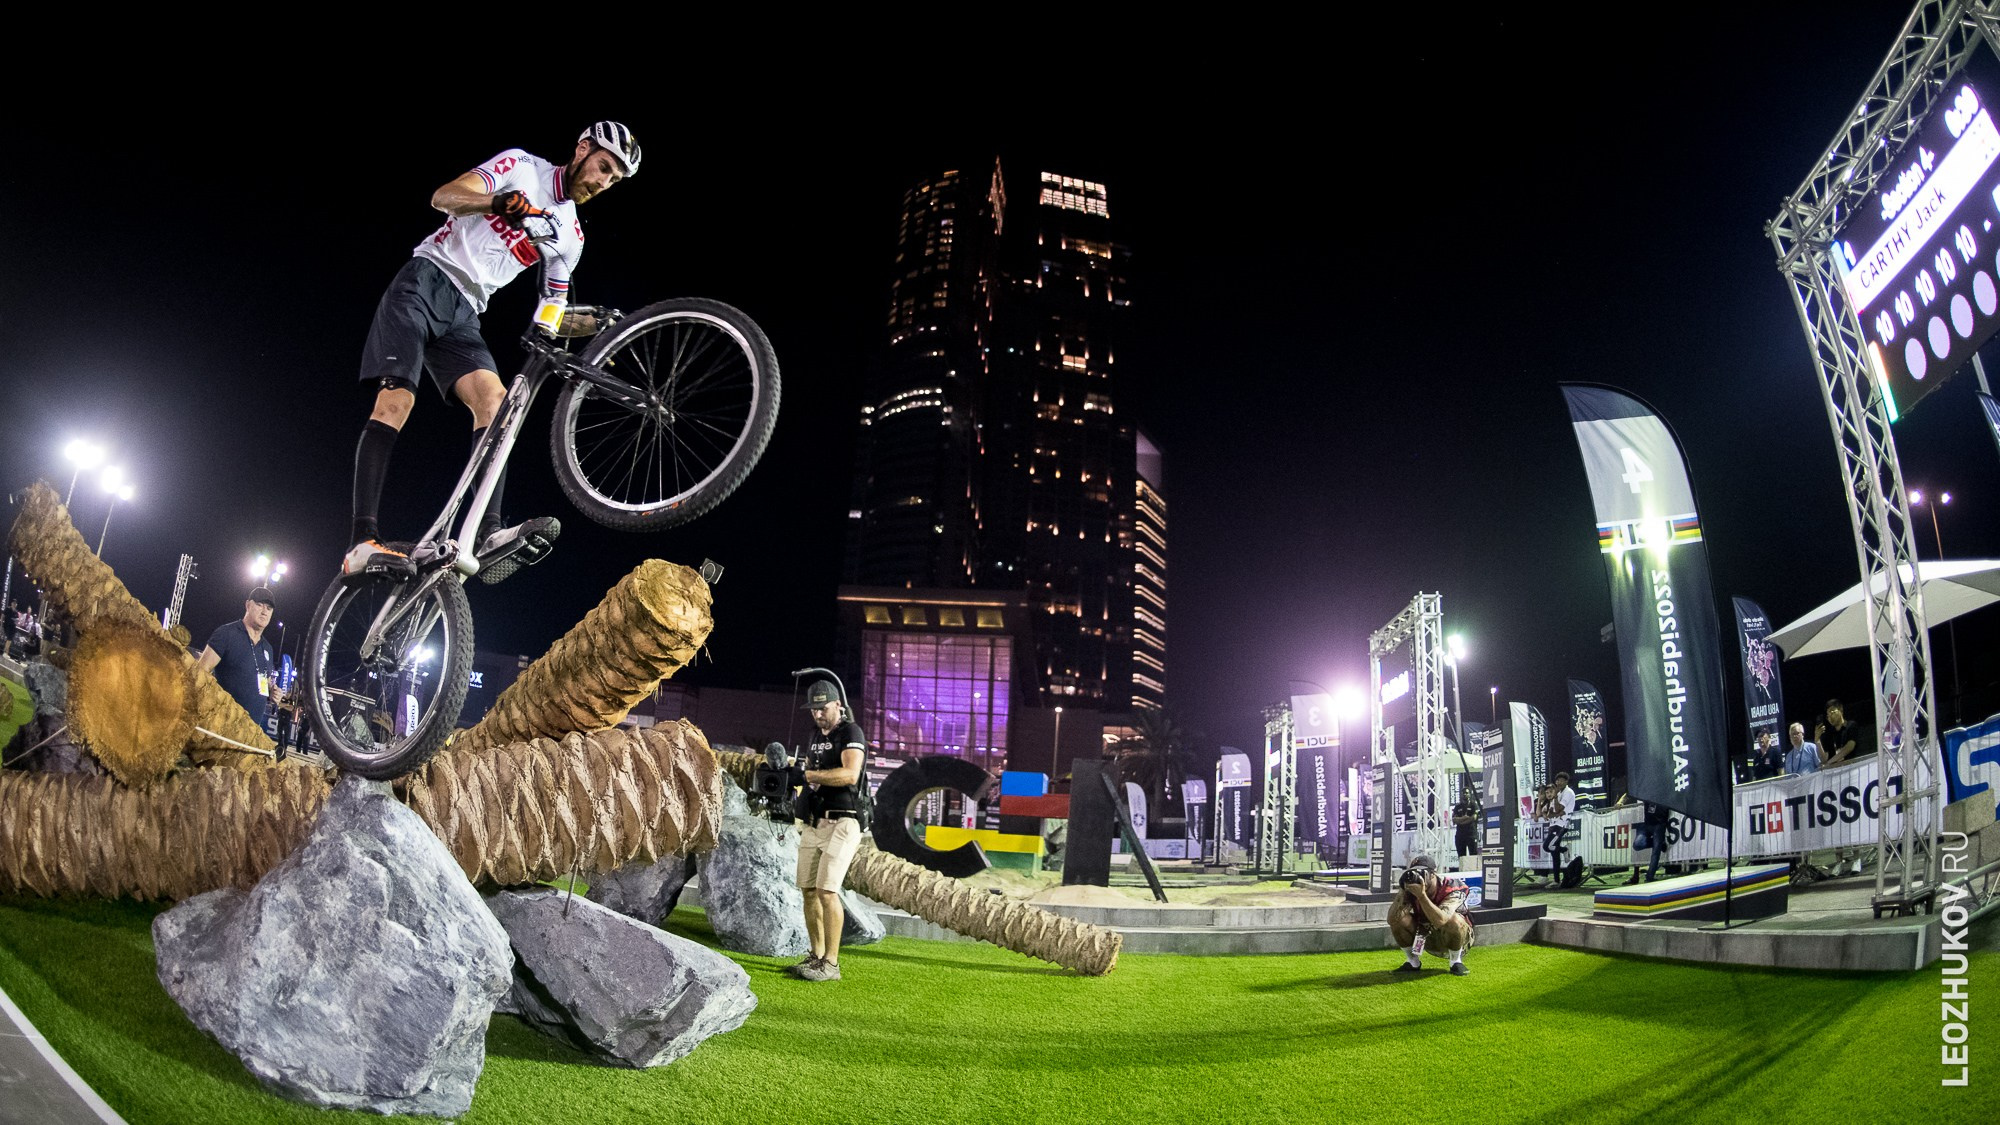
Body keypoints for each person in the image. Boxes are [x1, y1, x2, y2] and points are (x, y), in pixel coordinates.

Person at [343, 122, 642, 584]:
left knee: (498, 404)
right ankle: (360, 544)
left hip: (466, 314)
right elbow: (443, 197)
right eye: (603, 167)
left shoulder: (571, 239)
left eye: (614, 181)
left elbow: (549, 319)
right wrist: (497, 202)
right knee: (397, 401)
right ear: (582, 150)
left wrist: (594, 325)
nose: (603, 183)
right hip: (425, 280)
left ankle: (487, 532)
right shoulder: (521, 166)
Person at [788, 680, 867, 983]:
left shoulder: (851, 732)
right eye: (814, 708)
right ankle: (816, 956)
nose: (818, 713)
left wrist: (807, 774)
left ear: (838, 704)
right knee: (808, 890)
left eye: (823, 707)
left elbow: (850, 774)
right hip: (815, 820)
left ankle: (831, 964)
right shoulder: (813, 736)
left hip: (843, 820)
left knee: (827, 891)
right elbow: (810, 776)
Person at [197, 587, 278, 729]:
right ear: (247, 605)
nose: (264, 611)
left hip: (251, 732)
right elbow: (200, 672)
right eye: (259, 605)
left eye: (269, 608)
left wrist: (273, 692)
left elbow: (264, 682)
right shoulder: (226, 634)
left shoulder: (268, 648)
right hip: (221, 726)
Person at [1388, 854, 1474, 975]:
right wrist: (1403, 891)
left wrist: (1422, 896)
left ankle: (1455, 961)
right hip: (1425, 933)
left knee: (1454, 920)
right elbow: (1392, 920)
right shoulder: (1412, 889)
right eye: (1414, 872)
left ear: (1433, 874)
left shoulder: (1453, 887)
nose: (1417, 876)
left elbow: (1442, 920)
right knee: (1400, 919)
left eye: (1421, 873)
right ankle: (1412, 962)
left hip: (1457, 938)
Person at [1814, 698, 1872, 767]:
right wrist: (1817, 740)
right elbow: (1824, 759)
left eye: (1832, 712)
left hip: (1854, 767)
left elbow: (1850, 746)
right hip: (1837, 771)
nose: (1830, 717)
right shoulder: (1829, 734)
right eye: (1828, 715)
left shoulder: (1850, 726)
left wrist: (1829, 762)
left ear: (1841, 710)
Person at [1543, 772, 1576, 889]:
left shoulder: (1568, 793)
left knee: (1547, 846)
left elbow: (1559, 809)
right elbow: (1548, 812)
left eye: (1561, 780)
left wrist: (1555, 800)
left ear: (1566, 782)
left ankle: (1565, 849)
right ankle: (1556, 880)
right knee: (1554, 853)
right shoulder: (1559, 792)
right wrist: (1550, 813)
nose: (1558, 783)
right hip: (1554, 824)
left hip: (1561, 825)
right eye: (1557, 781)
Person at [1451, 786, 1480, 868]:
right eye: (1463, 793)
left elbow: (1473, 818)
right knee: (1461, 856)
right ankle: (1462, 873)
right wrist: (1465, 818)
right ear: (1461, 795)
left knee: (1473, 855)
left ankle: (1474, 872)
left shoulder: (1474, 805)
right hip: (1460, 835)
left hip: (1471, 834)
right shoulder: (1457, 807)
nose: (1465, 794)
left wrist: (1461, 821)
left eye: (1467, 793)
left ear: (1470, 794)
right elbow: (1454, 820)